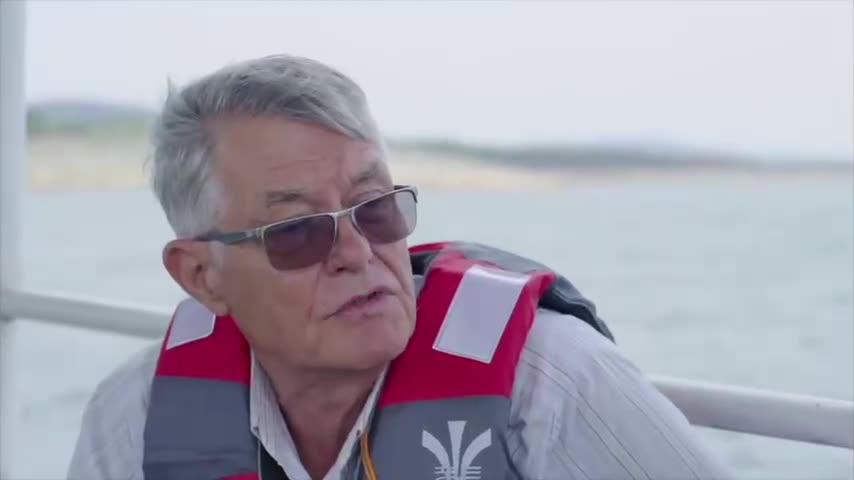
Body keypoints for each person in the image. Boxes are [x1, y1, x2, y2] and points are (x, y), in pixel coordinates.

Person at [67, 54, 733, 480]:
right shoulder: (137, 416)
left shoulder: (549, 381)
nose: (357, 254)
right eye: (297, 232)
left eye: (375, 209)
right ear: (201, 276)